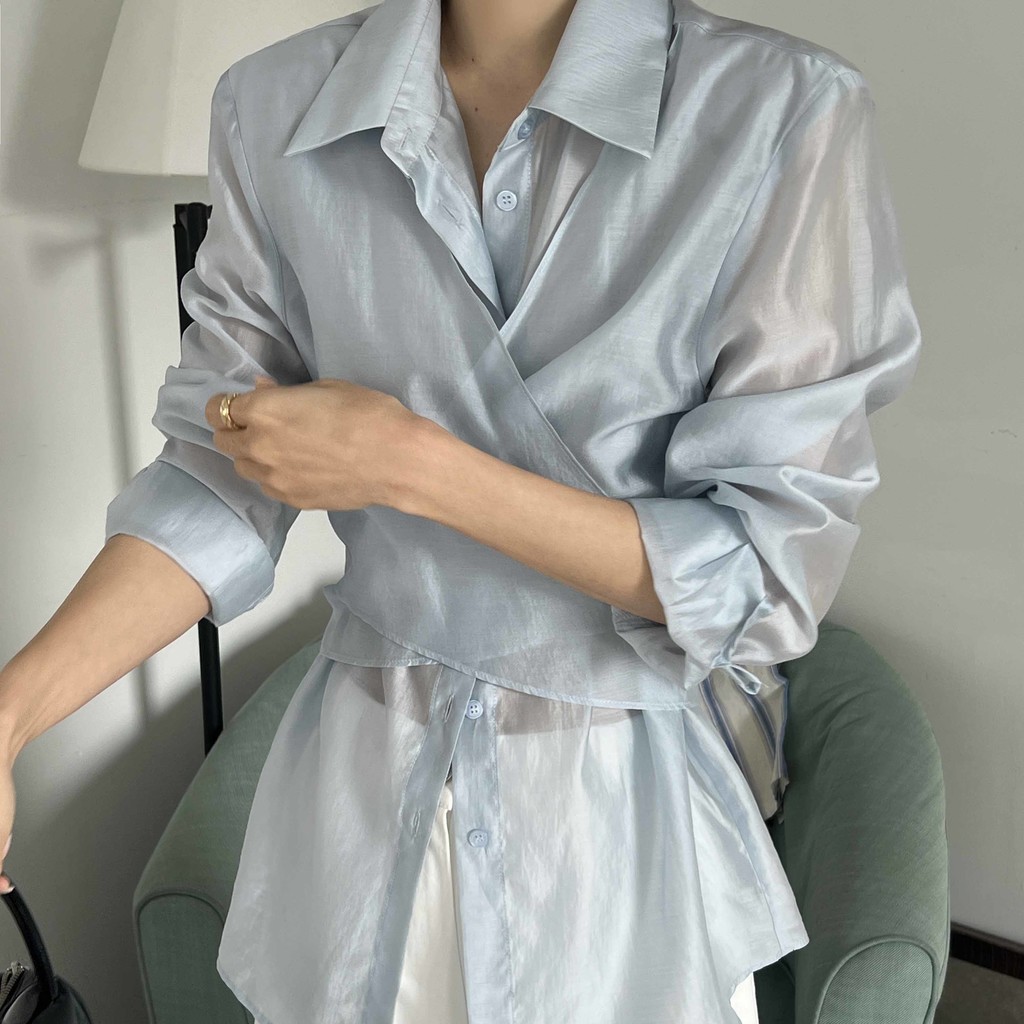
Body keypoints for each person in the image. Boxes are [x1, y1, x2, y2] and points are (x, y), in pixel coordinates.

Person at [0, 0, 922, 1020]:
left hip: (616, 829)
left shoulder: (779, 114)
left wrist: (411, 464)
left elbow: (764, 576)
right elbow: (218, 479)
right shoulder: (274, 107)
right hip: (352, 810)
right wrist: (8, 716)